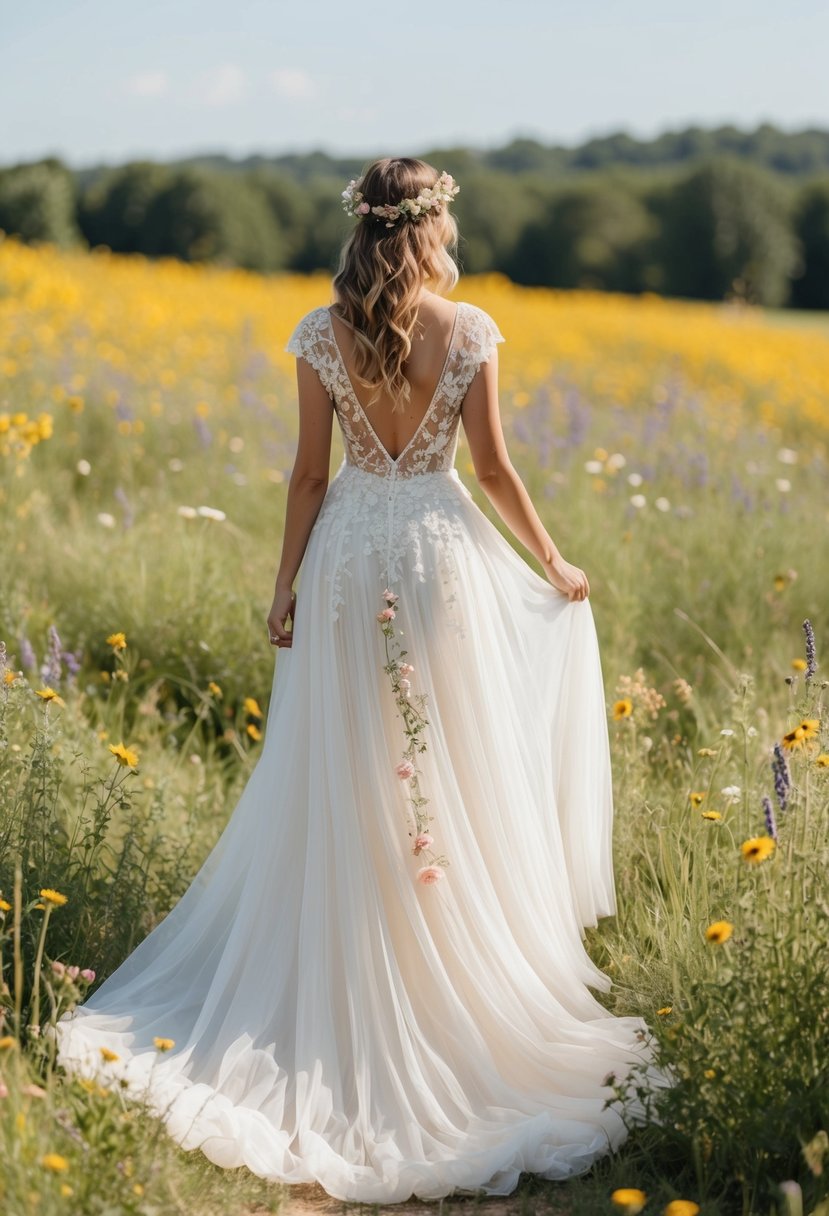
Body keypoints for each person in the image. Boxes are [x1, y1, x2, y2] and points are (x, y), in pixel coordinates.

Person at [53, 156, 661, 1204]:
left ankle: (357, 954)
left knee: (347, 769)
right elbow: (495, 471)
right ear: (431, 226)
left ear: (361, 227)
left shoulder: (320, 330)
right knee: (450, 765)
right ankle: (443, 970)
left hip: (344, 567)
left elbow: (307, 475)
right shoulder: (466, 331)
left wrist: (283, 586)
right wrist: (554, 562)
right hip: (436, 561)